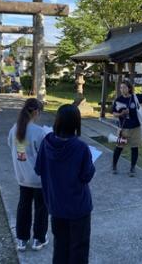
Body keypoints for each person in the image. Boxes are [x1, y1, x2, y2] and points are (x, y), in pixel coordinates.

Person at [35, 104, 95, 264]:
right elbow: (86, 175)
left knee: (60, 247)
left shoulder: (46, 142)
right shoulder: (81, 147)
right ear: (76, 123)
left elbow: (38, 169)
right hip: (78, 207)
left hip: (56, 205)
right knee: (79, 250)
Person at [7, 98, 48, 252]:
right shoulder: (39, 132)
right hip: (38, 178)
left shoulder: (14, 129)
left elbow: (12, 146)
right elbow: (44, 155)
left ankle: (22, 239)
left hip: (22, 176)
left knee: (23, 207)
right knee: (41, 208)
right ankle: (39, 238)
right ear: (36, 112)